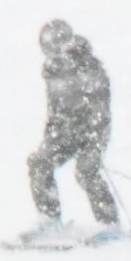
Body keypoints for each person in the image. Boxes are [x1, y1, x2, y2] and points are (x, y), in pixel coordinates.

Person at [25, 19, 121, 233]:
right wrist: (52, 135)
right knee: (40, 164)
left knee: (87, 171)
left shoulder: (89, 65)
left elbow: (100, 107)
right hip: (65, 131)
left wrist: (91, 139)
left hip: (93, 131)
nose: (53, 55)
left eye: (56, 49)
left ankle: (110, 225)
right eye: (48, 50)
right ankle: (49, 220)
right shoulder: (51, 69)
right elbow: (55, 108)